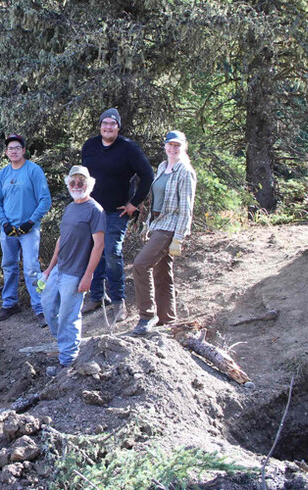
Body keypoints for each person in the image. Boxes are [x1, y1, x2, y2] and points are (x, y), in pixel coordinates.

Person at [80, 108, 154, 321]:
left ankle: (118, 301)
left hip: (117, 212)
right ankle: (96, 296)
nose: (108, 127)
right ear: (100, 126)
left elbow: (147, 175)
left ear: (118, 127)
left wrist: (134, 203)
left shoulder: (128, 148)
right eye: (105, 123)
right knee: (93, 252)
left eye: (113, 123)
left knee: (112, 253)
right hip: (92, 210)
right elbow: (83, 176)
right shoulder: (90, 146)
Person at [40, 166, 105, 375]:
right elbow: (62, 239)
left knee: (69, 315)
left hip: (76, 273)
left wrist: (88, 276)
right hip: (60, 268)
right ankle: (65, 346)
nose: (77, 185)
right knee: (47, 306)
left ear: (89, 184)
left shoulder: (95, 210)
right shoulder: (70, 208)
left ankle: (67, 362)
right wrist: (50, 268)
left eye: (81, 181)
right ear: (68, 184)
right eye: (73, 182)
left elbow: (99, 245)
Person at [131, 131, 197, 335]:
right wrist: (148, 225)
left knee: (140, 265)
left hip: (170, 227)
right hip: (158, 224)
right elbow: (156, 200)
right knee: (162, 273)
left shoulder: (185, 171)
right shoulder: (162, 167)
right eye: (170, 145)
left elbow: (186, 208)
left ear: (183, 147)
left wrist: (178, 237)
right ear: (165, 146)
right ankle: (167, 319)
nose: (173, 149)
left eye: (177, 145)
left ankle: (147, 315)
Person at [0, 134, 52, 322]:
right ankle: (9, 304)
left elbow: (45, 199)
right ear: (6, 152)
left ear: (24, 150)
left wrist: (31, 221)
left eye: (17, 147)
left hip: (29, 230)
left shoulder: (34, 171)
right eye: (10, 148)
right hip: (8, 230)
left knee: (31, 268)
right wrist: (4, 223)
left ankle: (41, 307)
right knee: (9, 266)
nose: (14, 151)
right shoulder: (3, 174)